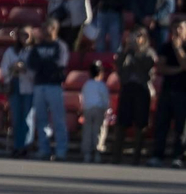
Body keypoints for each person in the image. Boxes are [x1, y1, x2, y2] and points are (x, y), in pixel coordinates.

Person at [25, 19, 71, 160]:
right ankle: (44, 149)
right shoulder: (37, 47)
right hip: (39, 85)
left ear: (54, 28)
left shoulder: (60, 46)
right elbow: (31, 64)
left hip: (54, 86)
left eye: (48, 28)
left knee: (58, 119)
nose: (45, 30)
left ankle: (61, 150)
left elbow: (59, 64)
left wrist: (42, 63)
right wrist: (46, 63)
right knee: (41, 119)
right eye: (43, 28)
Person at [112, 26, 156, 165]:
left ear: (144, 38)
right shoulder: (126, 51)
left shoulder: (149, 52)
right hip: (127, 88)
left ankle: (136, 157)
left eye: (138, 36)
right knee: (121, 123)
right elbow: (118, 65)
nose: (135, 39)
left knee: (140, 124)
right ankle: (116, 156)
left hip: (142, 89)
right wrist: (126, 51)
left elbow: (146, 68)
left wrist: (136, 53)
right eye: (133, 36)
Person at [150, 18, 186, 168]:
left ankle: (178, 157)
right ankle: (157, 155)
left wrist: (178, 49)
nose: (177, 31)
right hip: (167, 91)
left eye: (180, 28)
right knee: (161, 124)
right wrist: (178, 69)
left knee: (181, 127)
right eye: (175, 28)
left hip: (183, 93)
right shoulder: (165, 47)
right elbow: (161, 68)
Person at [0, 25, 36, 158]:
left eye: (27, 34)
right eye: (22, 34)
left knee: (27, 118)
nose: (24, 37)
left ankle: (26, 146)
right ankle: (17, 145)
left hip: (29, 86)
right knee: (16, 117)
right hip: (14, 85)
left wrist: (25, 69)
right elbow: (3, 69)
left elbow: (36, 71)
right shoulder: (11, 51)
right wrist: (13, 68)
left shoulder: (34, 52)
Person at [77, 61, 110, 163]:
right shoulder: (102, 85)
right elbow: (105, 100)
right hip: (99, 109)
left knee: (87, 131)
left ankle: (87, 153)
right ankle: (97, 152)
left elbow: (83, 98)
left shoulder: (86, 85)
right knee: (98, 131)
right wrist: (106, 109)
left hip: (88, 109)